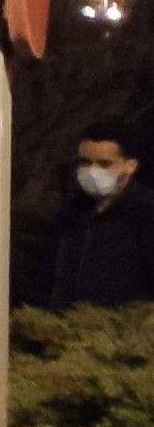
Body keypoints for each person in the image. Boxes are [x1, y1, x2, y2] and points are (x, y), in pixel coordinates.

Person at [51, 125, 154, 307]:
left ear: (130, 166)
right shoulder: (72, 214)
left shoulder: (146, 215)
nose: (92, 171)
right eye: (85, 163)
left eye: (105, 164)